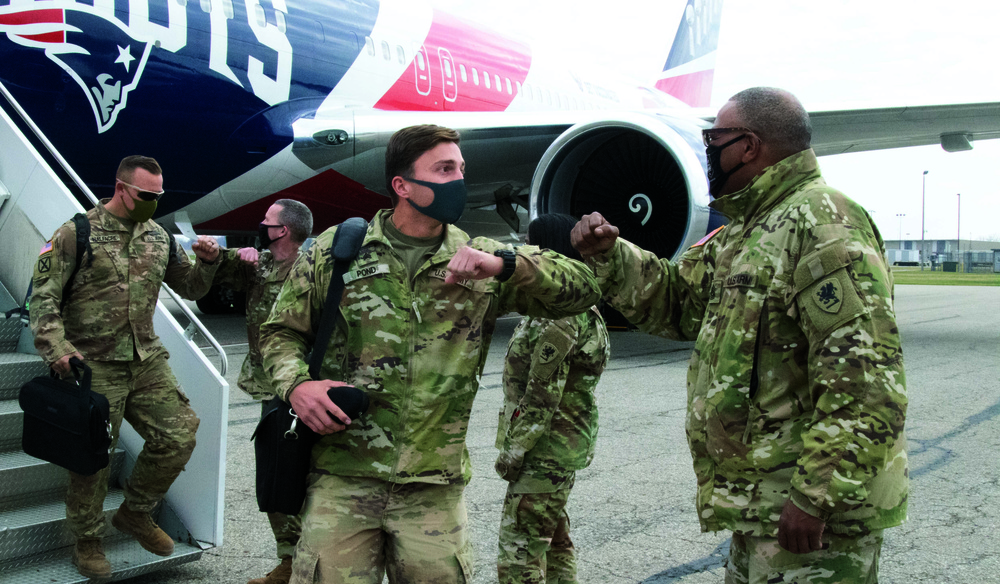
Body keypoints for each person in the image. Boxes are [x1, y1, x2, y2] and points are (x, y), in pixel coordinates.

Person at [571, 87, 908, 584]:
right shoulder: (746, 231)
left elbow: (866, 380)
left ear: (749, 145)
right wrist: (611, 254)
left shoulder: (822, 222)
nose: (708, 151)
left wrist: (816, 496)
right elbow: (680, 304)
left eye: (715, 139)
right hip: (763, 503)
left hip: (810, 515)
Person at [259, 124, 601, 584]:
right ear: (402, 185)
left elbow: (582, 290)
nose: (458, 179)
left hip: (433, 486)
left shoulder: (480, 257)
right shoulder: (338, 250)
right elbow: (280, 332)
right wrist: (297, 385)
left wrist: (506, 266)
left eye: (461, 168)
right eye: (444, 169)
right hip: (343, 476)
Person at [29, 155, 222, 579]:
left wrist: (207, 263)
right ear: (121, 188)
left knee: (179, 434)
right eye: (146, 195)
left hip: (145, 359)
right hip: (90, 366)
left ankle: (135, 512)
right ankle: (88, 541)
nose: (154, 202)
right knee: (92, 460)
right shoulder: (76, 232)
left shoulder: (158, 237)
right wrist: (56, 348)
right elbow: (42, 297)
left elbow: (188, 286)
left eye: (159, 196)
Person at [494, 214, 610, 584]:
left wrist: (515, 451)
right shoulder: (563, 305)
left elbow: (543, 394)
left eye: (531, 243)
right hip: (560, 447)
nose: (525, 250)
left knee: (519, 556)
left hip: (544, 451)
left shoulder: (559, 316)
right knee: (554, 539)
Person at [211, 199, 313, 584]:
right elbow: (209, 271)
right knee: (276, 476)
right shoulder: (259, 265)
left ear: (282, 229)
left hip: (306, 387)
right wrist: (213, 254)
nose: (260, 225)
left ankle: (315, 564)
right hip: (271, 389)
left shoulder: (312, 268)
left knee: (314, 479)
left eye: (266, 222)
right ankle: (289, 562)